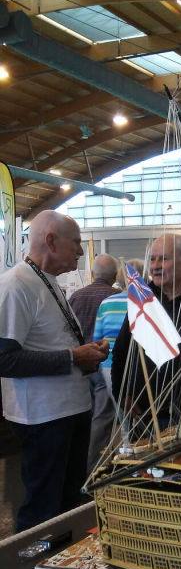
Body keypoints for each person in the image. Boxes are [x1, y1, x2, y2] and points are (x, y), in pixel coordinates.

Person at [0, 210, 108, 531]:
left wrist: (85, 354)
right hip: (44, 420)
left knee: (67, 507)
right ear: (50, 241)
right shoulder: (15, 286)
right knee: (42, 511)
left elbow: (49, 341)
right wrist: (74, 357)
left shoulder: (48, 282)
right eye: (75, 242)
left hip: (69, 413)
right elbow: (5, 359)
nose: (79, 250)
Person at [111, 235, 181, 435]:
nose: (155, 266)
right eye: (152, 259)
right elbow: (121, 352)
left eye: (163, 259)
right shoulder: (143, 301)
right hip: (145, 415)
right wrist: (122, 395)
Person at [70, 254, 120, 469]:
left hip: (80, 367)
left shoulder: (75, 297)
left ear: (92, 274)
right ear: (114, 276)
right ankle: (94, 467)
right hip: (105, 366)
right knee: (102, 418)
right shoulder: (117, 297)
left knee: (83, 418)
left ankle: (81, 464)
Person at [92, 258, 145, 396]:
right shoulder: (148, 304)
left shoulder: (106, 303)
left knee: (119, 412)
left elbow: (97, 339)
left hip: (109, 367)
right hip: (140, 369)